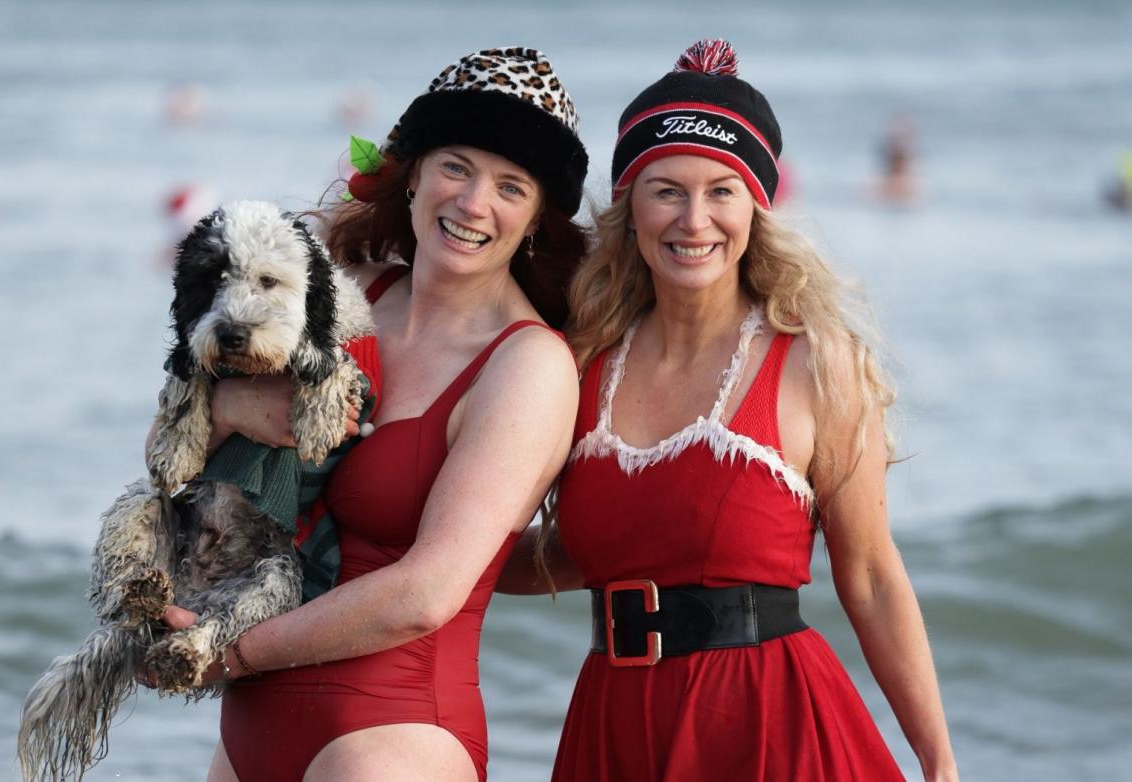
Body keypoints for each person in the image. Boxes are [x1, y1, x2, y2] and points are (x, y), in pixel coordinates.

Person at [500, 39, 958, 781]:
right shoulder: (575, 363)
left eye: (722, 190)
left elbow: (870, 576)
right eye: (667, 190)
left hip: (770, 728)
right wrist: (402, 547)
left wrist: (939, 763)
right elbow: (562, 556)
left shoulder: (816, 363)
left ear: (757, 207)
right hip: (614, 728)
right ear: (629, 205)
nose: (694, 219)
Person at [150, 47, 588, 782]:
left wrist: (223, 653)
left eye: (511, 185)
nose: (474, 202)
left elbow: (426, 594)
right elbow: (169, 454)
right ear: (411, 173)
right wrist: (226, 404)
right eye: (456, 166)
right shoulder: (348, 292)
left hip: (391, 735)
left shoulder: (528, 368)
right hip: (249, 729)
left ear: (537, 217)